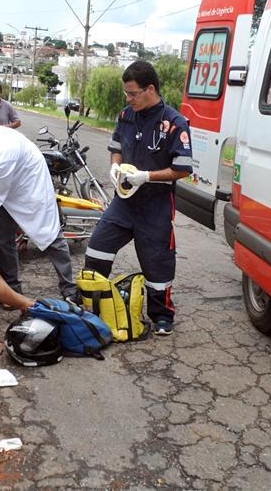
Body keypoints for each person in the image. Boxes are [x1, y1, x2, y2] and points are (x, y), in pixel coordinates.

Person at [83, 61, 193, 336]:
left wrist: (146, 177)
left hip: (155, 205)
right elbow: (117, 147)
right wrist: (115, 165)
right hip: (124, 202)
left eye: (132, 93)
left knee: (157, 262)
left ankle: (162, 314)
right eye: (126, 94)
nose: (128, 99)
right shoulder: (126, 115)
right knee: (97, 247)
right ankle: (91, 299)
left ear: (150, 89)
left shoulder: (175, 123)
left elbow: (181, 169)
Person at [0, 126, 77, 301]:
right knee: (3, 236)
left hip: (27, 181)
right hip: (1, 184)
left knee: (49, 235)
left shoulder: (1, 161)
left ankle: (70, 290)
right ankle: (12, 289)